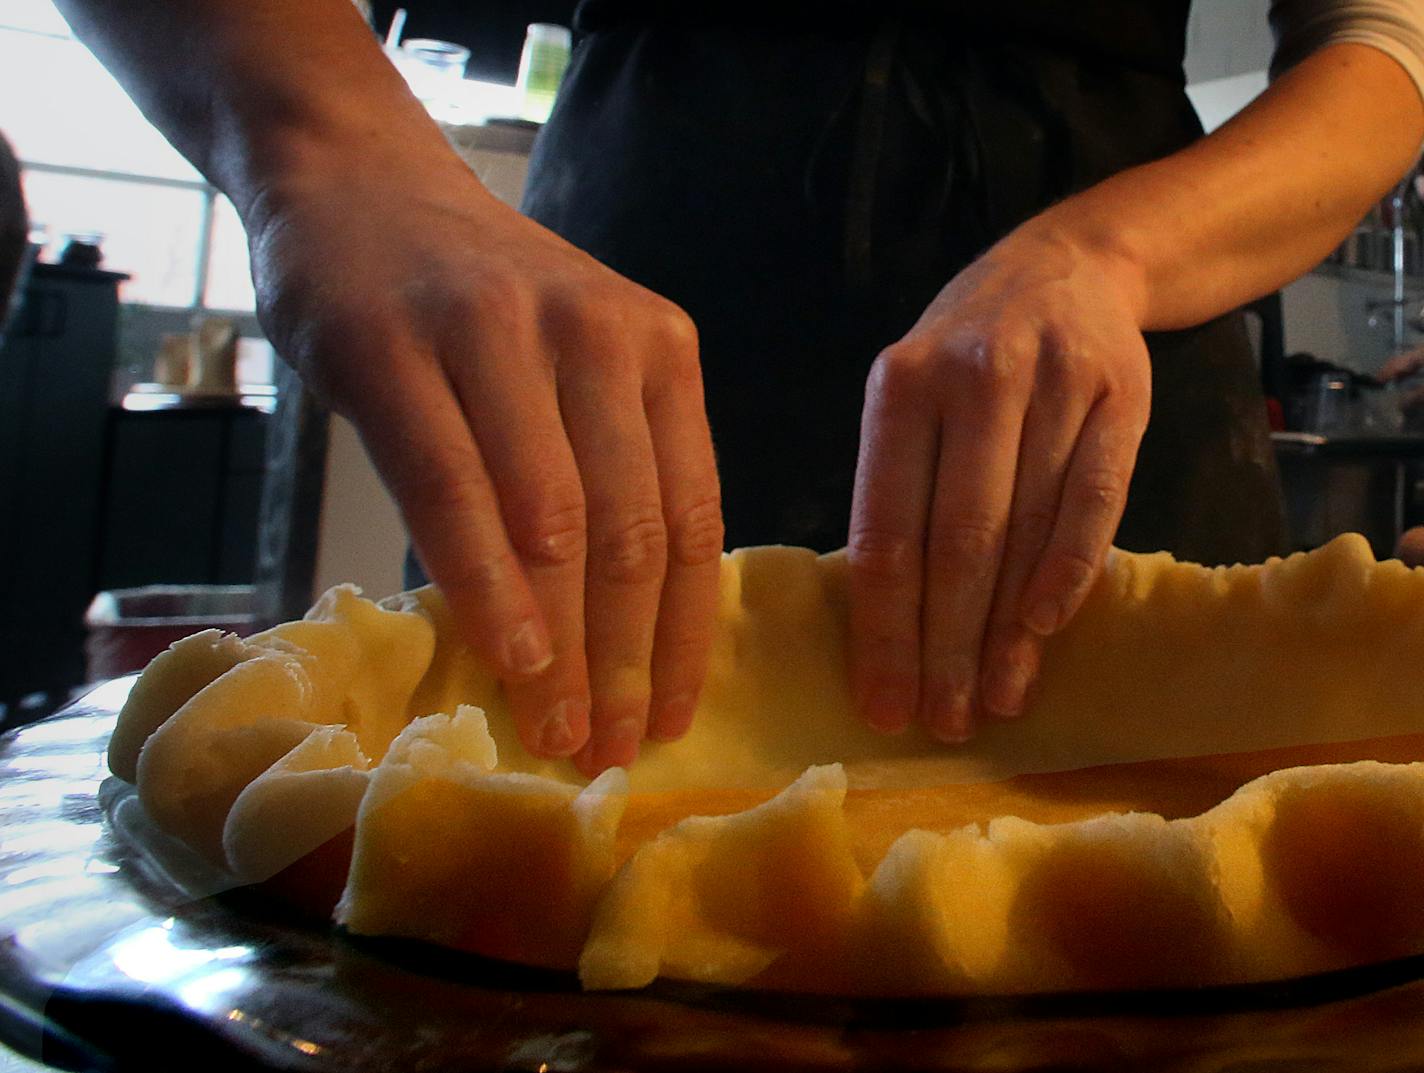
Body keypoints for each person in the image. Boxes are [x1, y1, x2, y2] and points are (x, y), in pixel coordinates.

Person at [56, 0, 1424, 775]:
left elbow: (1388, 46)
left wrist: (1110, 251)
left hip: (1110, 377)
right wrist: (324, 143)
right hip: (621, 340)